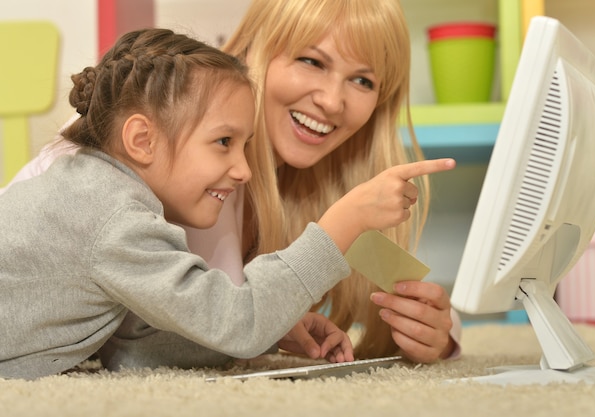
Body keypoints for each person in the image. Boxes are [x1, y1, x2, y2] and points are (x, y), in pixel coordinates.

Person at [1, 0, 461, 367]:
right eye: (311, 61)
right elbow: (225, 321)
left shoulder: (202, 155)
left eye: (362, 80)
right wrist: (341, 226)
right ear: (252, 53)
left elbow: (150, 334)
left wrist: (439, 334)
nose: (332, 100)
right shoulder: (134, 170)